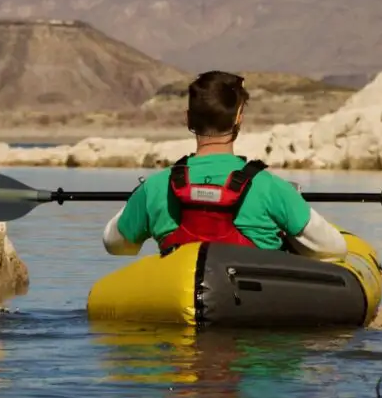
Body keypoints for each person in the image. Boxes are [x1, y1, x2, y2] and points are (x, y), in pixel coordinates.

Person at [102, 70, 347, 259]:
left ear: (188, 118)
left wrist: (137, 202)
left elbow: (115, 244)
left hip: (179, 302)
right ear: (238, 118)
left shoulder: (155, 187)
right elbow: (334, 248)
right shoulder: (271, 187)